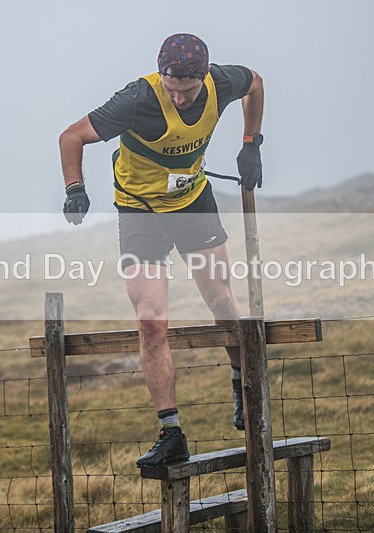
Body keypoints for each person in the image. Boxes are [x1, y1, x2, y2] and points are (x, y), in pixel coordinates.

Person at [58, 33, 264, 467]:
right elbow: (71, 137)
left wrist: (251, 144)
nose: (179, 97)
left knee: (221, 299)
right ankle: (171, 433)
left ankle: (243, 387)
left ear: (204, 78)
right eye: (171, 87)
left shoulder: (222, 83)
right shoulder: (137, 99)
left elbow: (256, 83)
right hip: (141, 214)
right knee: (151, 320)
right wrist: (75, 188)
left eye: (187, 91)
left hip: (194, 205)